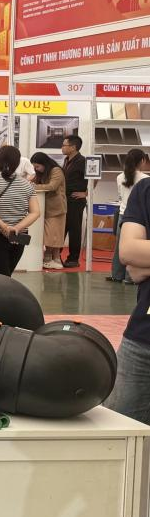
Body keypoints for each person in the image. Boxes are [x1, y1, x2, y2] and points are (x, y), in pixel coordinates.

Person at [104, 177, 150, 424]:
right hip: (143, 336)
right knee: (118, 427)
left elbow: (139, 261)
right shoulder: (145, 190)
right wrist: (137, 255)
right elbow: (129, 253)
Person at [0, 146, 41, 277]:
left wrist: (4, 227)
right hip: (18, 236)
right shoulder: (27, 185)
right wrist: (16, 228)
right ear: (18, 163)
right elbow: (35, 212)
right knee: (6, 276)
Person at [111, 148, 150, 284]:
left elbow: (120, 196)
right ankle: (130, 278)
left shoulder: (119, 177)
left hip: (122, 214)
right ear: (142, 161)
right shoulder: (145, 179)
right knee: (138, 249)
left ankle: (116, 275)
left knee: (119, 248)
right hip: (138, 218)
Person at [31, 152, 67, 271]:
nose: (36, 169)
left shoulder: (56, 170)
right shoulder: (42, 173)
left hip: (56, 209)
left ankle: (51, 259)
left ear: (44, 163)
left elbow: (52, 186)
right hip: (47, 209)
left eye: (37, 166)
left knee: (53, 236)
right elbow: (34, 181)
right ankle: (54, 260)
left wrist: (33, 186)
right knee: (53, 236)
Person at [61, 135, 88, 268]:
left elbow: (95, 178)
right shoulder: (67, 160)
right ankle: (56, 255)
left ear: (73, 147)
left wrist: (86, 193)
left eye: (64, 145)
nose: (62, 147)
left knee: (74, 229)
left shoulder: (83, 161)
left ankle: (73, 258)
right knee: (63, 227)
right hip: (65, 198)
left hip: (76, 200)